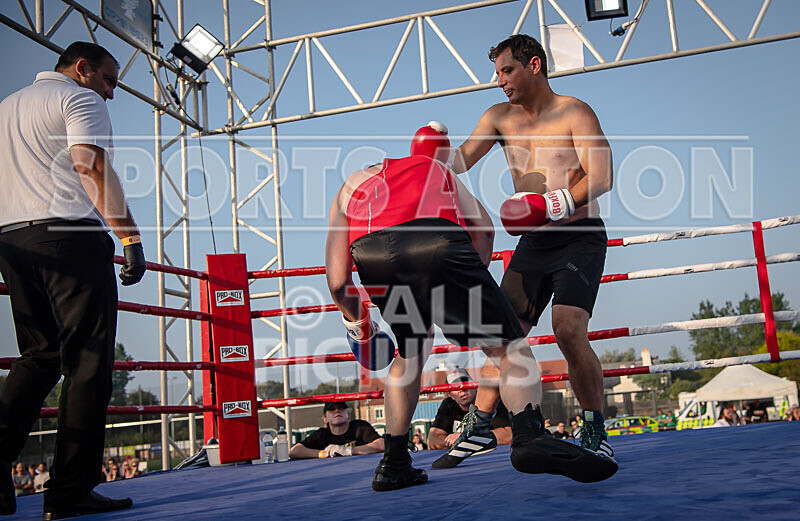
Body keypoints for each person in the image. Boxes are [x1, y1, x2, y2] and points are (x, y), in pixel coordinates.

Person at [325, 122, 618, 491]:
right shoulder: (434, 169)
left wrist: (359, 324)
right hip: (438, 244)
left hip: (374, 255)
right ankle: (529, 437)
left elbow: (337, 282)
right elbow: (482, 226)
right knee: (511, 350)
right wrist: (470, 285)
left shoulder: (348, 187)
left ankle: (394, 463)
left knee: (410, 351)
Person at [446, 34, 616, 467]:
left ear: (534, 65)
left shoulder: (574, 111)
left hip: (580, 235)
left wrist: (557, 201)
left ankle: (594, 424)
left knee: (568, 329)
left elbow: (601, 175)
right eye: (497, 72)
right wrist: (430, 153)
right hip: (533, 241)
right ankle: (481, 424)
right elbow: (461, 160)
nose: (500, 81)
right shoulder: (499, 117)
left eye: (507, 70)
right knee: (503, 333)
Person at [0, 41, 144, 518]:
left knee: (38, 357)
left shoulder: (6, 108)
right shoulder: (77, 98)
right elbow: (90, 164)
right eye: (109, 80)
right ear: (82, 69)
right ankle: (68, 492)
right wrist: (129, 237)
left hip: (13, 241)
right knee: (86, 364)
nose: (111, 93)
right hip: (69, 237)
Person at [427, 368, 512, 455]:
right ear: (451, 395)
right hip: (462, 461)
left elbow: (508, 436)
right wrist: (460, 440)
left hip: (491, 457)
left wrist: (465, 437)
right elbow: (433, 440)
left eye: (465, 384)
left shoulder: (489, 399)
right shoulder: (448, 405)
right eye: (455, 387)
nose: (461, 389)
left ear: (474, 386)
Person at [289, 402, 384, 459]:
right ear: (325, 418)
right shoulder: (322, 434)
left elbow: (382, 444)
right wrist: (321, 453)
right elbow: (294, 451)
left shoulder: (360, 427)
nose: (337, 411)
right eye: (332, 409)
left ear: (348, 414)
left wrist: (349, 451)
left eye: (341, 408)